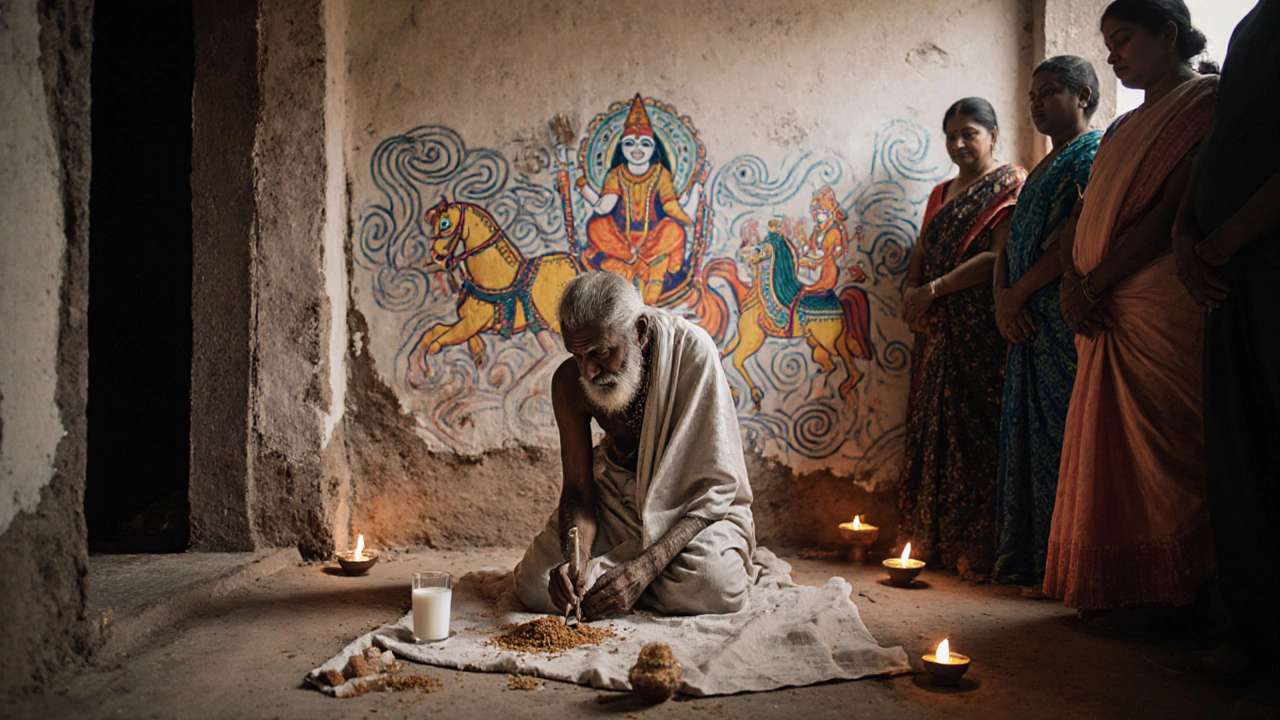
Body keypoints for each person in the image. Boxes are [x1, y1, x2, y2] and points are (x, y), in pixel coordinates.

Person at [1044, 0, 1218, 624]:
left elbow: (1172, 210)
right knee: (1111, 453)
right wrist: (1074, 282)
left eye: (1123, 40)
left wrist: (1094, 286)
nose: (1112, 55)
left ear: (1168, 34)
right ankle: (1124, 590)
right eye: (1108, 43)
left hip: (1154, 306)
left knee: (1168, 450)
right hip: (1100, 308)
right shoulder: (1122, 129)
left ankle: (1177, 598)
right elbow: (1087, 218)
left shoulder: (1205, 105)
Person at [513, 271, 757, 619]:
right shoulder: (570, 383)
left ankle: (623, 578)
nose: (588, 372)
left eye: (601, 353)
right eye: (577, 356)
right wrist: (575, 558)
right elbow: (578, 492)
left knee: (717, 588)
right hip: (617, 497)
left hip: (691, 509)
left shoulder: (692, 353)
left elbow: (713, 491)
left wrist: (644, 570)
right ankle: (609, 580)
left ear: (639, 331)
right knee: (534, 585)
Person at [1174, 0, 1280, 701]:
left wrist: (1223, 239)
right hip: (1225, 277)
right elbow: (1219, 146)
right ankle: (1254, 634)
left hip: (1263, 265)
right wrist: (1187, 234)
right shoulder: (1253, 24)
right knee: (1238, 458)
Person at [898, 98, 1026, 579]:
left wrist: (934, 290)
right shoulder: (942, 191)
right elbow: (923, 248)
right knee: (933, 433)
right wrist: (911, 292)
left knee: (976, 437)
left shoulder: (1010, 184)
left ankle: (978, 549)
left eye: (969, 133)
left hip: (979, 332)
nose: (958, 144)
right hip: (936, 333)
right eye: (950, 135)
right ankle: (930, 541)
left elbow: (998, 257)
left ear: (993, 133)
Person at [992, 57, 1104, 596]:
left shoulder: (1091, 155)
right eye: (1033, 94)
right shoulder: (1040, 165)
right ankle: (1035, 560)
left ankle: (1066, 566)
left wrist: (1018, 294)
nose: (1037, 103)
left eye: (1050, 92)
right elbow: (1010, 241)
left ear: (1084, 96)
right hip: (1025, 320)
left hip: (1056, 321)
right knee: (1029, 439)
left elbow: (1068, 243)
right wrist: (1001, 297)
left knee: (1063, 440)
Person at [578, 96, 702, 305]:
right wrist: (585, 190)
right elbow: (604, 207)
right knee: (596, 227)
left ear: (653, 148)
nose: (637, 149)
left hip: (653, 240)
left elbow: (672, 208)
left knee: (675, 231)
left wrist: (694, 197)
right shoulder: (616, 174)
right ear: (622, 148)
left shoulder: (660, 174)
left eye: (644, 143)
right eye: (630, 143)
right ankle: (633, 264)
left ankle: (639, 266)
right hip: (620, 241)